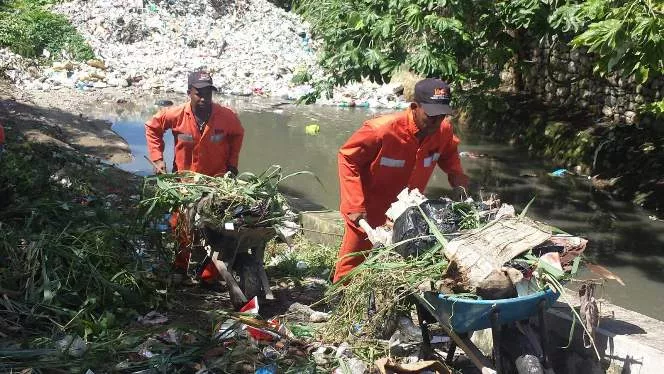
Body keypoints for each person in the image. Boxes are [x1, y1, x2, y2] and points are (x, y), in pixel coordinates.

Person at [333, 78, 469, 283]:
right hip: (368, 208)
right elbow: (348, 158)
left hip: (408, 211)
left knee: (403, 262)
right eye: (431, 116)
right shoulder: (381, 130)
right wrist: (354, 204)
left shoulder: (442, 131)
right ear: (414, 107)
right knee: (353, 259)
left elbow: (449, 154)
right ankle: (339, 299)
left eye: (442, 115)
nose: (437, 121)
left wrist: (457, 179)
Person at [145, 70, 245, 283]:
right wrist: (157, 159)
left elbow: (237, 135)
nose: (203, 98)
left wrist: (232, 163)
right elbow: (152, 128)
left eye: (208, 93)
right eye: (198, 93)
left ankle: (209, 275)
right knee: (182, 224)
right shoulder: (176, 115)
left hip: (216, 182)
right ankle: (180, 268)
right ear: (189, 92)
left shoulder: (227, 116)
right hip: (185, 182)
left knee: (219, 227)